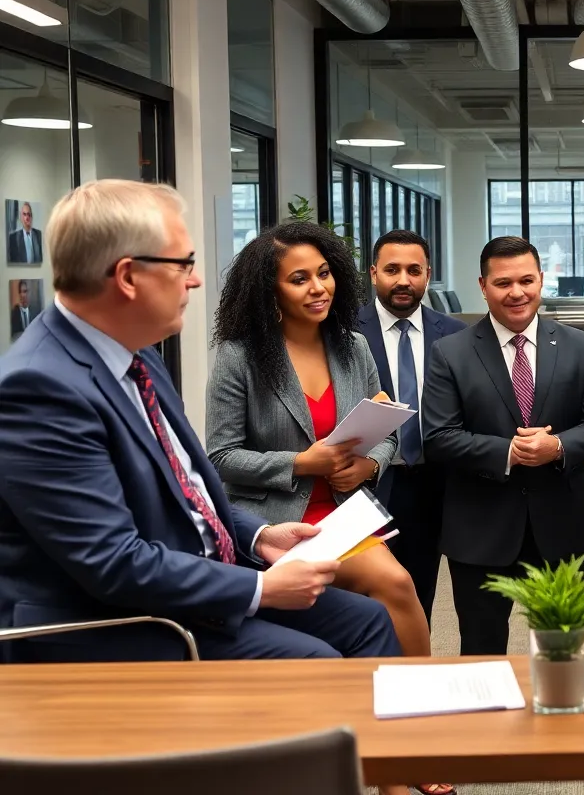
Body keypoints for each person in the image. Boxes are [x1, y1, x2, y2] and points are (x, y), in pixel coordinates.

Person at [0, 179, 400, 664]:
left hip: (196, 575)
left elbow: (189, 488)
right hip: (122, 617)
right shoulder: (40, 389)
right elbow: (113, 564)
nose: (194, 280)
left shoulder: (135, 353)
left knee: (368, 620)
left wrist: (256, 535)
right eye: (183, 264)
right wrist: (259, 587)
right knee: (315, 660)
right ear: (128, 277)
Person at [205, 221, 431, 659]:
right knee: (387, 589)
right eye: (299, 279)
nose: (318, 288)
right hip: (276, 520)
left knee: (398, 585)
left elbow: (384, 428)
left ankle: (420, 699)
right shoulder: (240, 356)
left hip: (345, 514)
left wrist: (372, 465)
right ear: (269, 291)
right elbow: (219, 457)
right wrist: (302, 463)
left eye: (324, 273)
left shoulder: (353, 347)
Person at [423, 236, 584, 655]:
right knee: (481, 648)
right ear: (483, 285)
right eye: (503, 282)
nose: (517, 292)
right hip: (480, 526)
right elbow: (437, 437)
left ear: (542, 280)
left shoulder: (578, 346)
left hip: (559, 521)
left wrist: (559, 446)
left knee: (562, 647)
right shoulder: (450, 353)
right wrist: (508, 452)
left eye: (527, 280)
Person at [358, 229, 466, 624]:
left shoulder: (454, 334)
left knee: (421, 595)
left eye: (413, 270)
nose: (403, 279)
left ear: (427, 274)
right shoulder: (344, 333)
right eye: (392, 269)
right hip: (366, 482)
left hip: (434, 483)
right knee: (367, 598)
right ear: (373, 273)